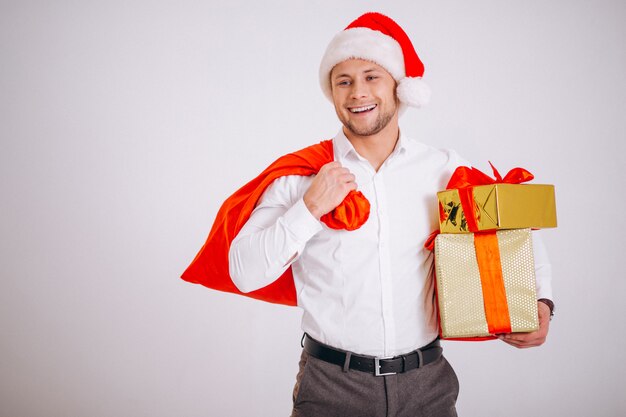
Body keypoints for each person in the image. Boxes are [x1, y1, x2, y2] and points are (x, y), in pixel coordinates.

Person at [226, 12, 553, 417]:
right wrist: (310, 208)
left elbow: (515, 226)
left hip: (426, 383)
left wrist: (540, 300)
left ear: (399, 87)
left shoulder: (443, 170)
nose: (357, 92)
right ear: (331, 93)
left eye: (371, 77)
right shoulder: (300, 178)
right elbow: (244, 271)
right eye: (343, 81)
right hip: (331, 385)